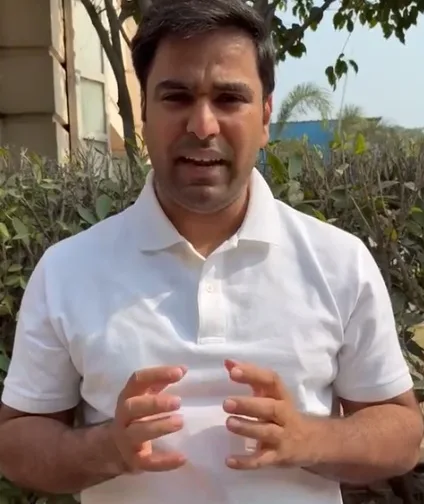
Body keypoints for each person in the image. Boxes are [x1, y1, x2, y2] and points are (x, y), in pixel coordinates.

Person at [0, 0, 422, 503]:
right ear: (144, 113)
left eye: (229, 98)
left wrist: (307, 439)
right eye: (176, 97)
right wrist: (106, 448)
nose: (202, 125)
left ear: (266, 117)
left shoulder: (338, 263)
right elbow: (16, 441)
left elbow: (403, 435)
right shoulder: (67, 270)